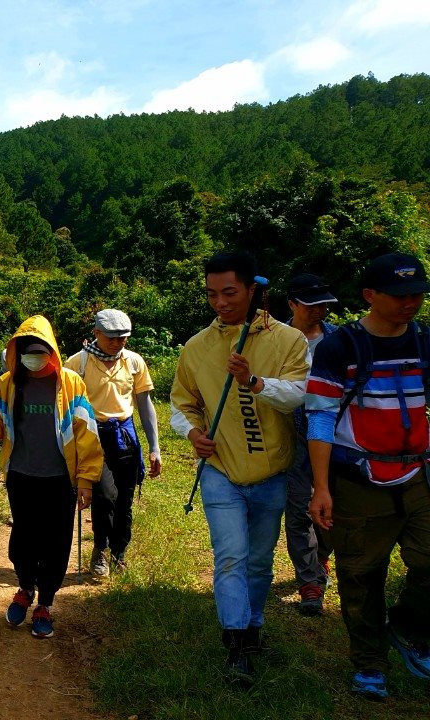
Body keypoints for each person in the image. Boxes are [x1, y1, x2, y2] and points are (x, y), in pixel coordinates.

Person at [170, 251, 308, 687]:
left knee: (260, 562)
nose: (220, 302)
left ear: (252, 289)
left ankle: (253, 625)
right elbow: (181, 403)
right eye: (212, 294)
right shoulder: (197, 347)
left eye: (230, 292)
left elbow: (298, 394)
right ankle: (237, 644)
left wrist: (253, 382)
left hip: (271, 473)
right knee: (230, 555)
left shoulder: (288, 340)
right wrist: (193, 434)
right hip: (221, 472)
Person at [306, 253, 430, 700]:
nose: (410, 303)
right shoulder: (340, 347)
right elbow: (319, 418)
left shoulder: (423, 339)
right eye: (399, 296)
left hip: (417, 473)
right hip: (359, 482)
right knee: (361, 577)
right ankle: (369, 664)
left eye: (417, 294)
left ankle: (406, 627)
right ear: (370, 296)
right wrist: (321, 487)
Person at [0, 315, 103, 639]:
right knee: (23, 540)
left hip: (61, 479)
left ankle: (45, 603)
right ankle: (25, 588)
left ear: (52, 351)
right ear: (17, 352)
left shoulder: (71, 384)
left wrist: (86, 480)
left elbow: (87, 433)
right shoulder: (8, 382)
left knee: (56, 543)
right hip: (21, 475)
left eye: (40, 350)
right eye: (27, 350)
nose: (33, 356)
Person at [64, 309, 162, 577]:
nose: (117, 343)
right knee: (105, 496)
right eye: (112, 337)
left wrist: (154, 447)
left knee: (125, 500)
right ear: (96, 333)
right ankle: (100, 550)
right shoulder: (77, 363)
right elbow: (65, 406)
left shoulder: (133, 362)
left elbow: (144, 403)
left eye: (123, 338)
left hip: (125, 437)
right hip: (93, 438)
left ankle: (119, 552)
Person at [280, 274, 341, 616]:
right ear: (291, 304)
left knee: (334, 506)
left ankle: (321, 558)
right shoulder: (275, 339)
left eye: (323, 305)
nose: (318, 311)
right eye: (310, 304)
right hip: (293, 434)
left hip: (336, 436)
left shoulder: (339, 339)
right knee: (300, 507)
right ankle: (309, 582)